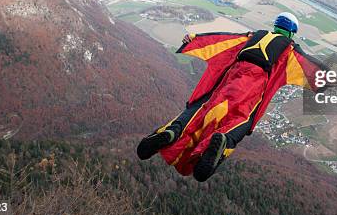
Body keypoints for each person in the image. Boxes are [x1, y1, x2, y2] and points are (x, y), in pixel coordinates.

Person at [137, 12, 325, 182]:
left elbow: (222, 40)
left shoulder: (253, 36)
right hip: (252, 89)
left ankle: (172, 131)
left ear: (276, 25)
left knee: (202, 109)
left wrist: (194, 39)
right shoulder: (289, 50)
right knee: (241, 121)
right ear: (292, 32)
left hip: (229, 80)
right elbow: (313, 70)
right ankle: (225, 139)